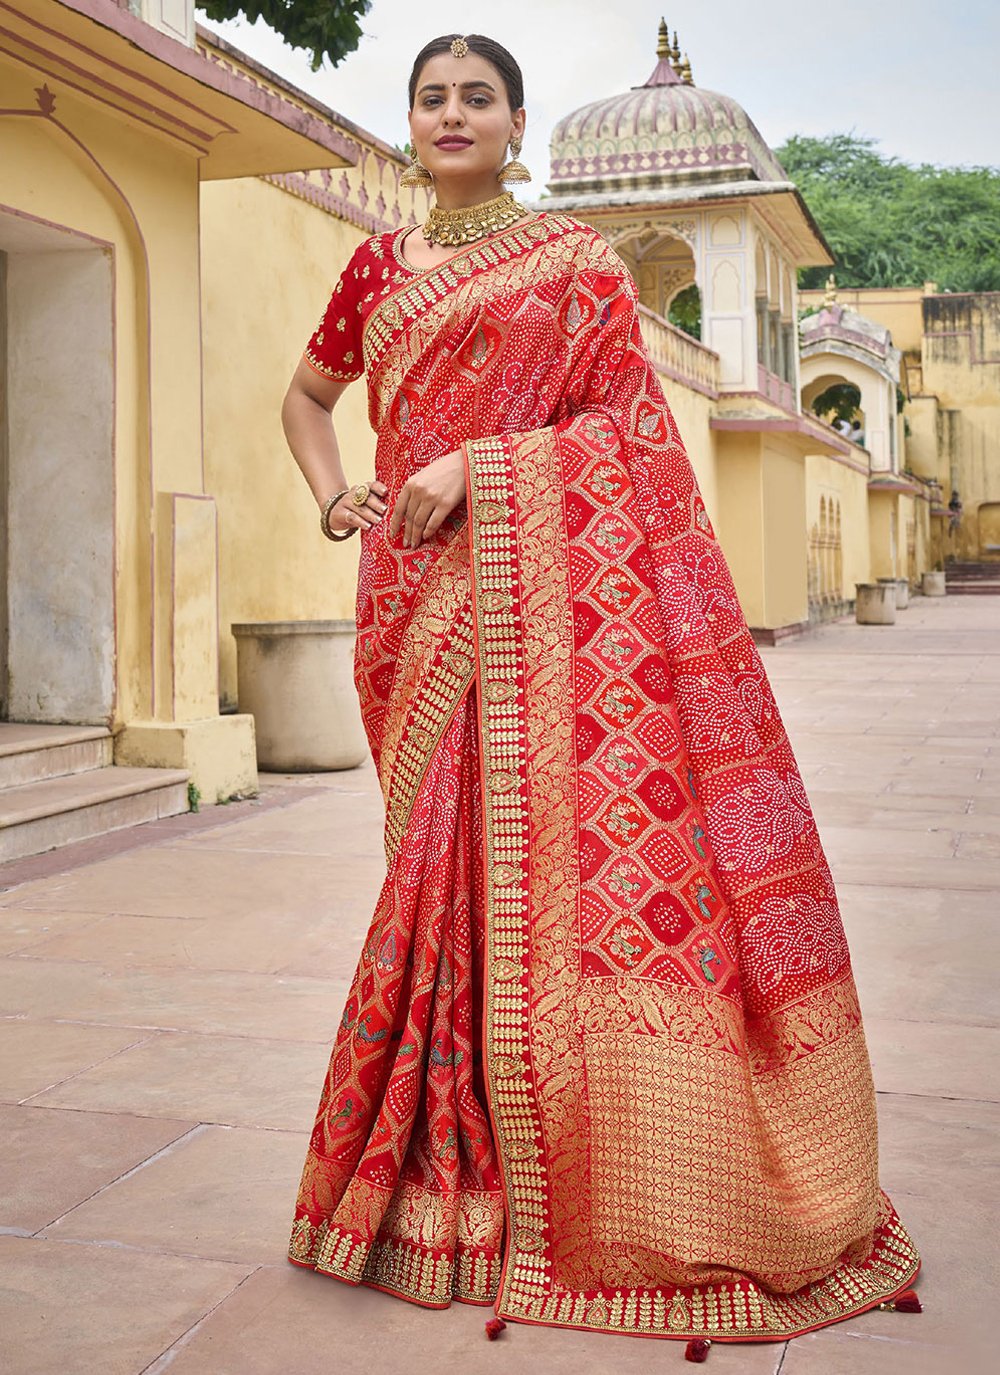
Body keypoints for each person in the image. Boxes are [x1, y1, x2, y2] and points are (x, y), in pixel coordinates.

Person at [281, 32, 920, 1351]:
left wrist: (480, 468)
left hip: (527, 596)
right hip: (409, 605)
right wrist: (333, 492)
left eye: (478, 98)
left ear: (516, 126)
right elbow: (307, 398)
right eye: (430, 98)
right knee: (430, 870)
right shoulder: (373, 269)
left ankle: (530, 1181)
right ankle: (427, 1180)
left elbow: (623, 432)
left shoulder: (576, 266)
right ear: (409, 124)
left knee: (508, 874)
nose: (452, 114)